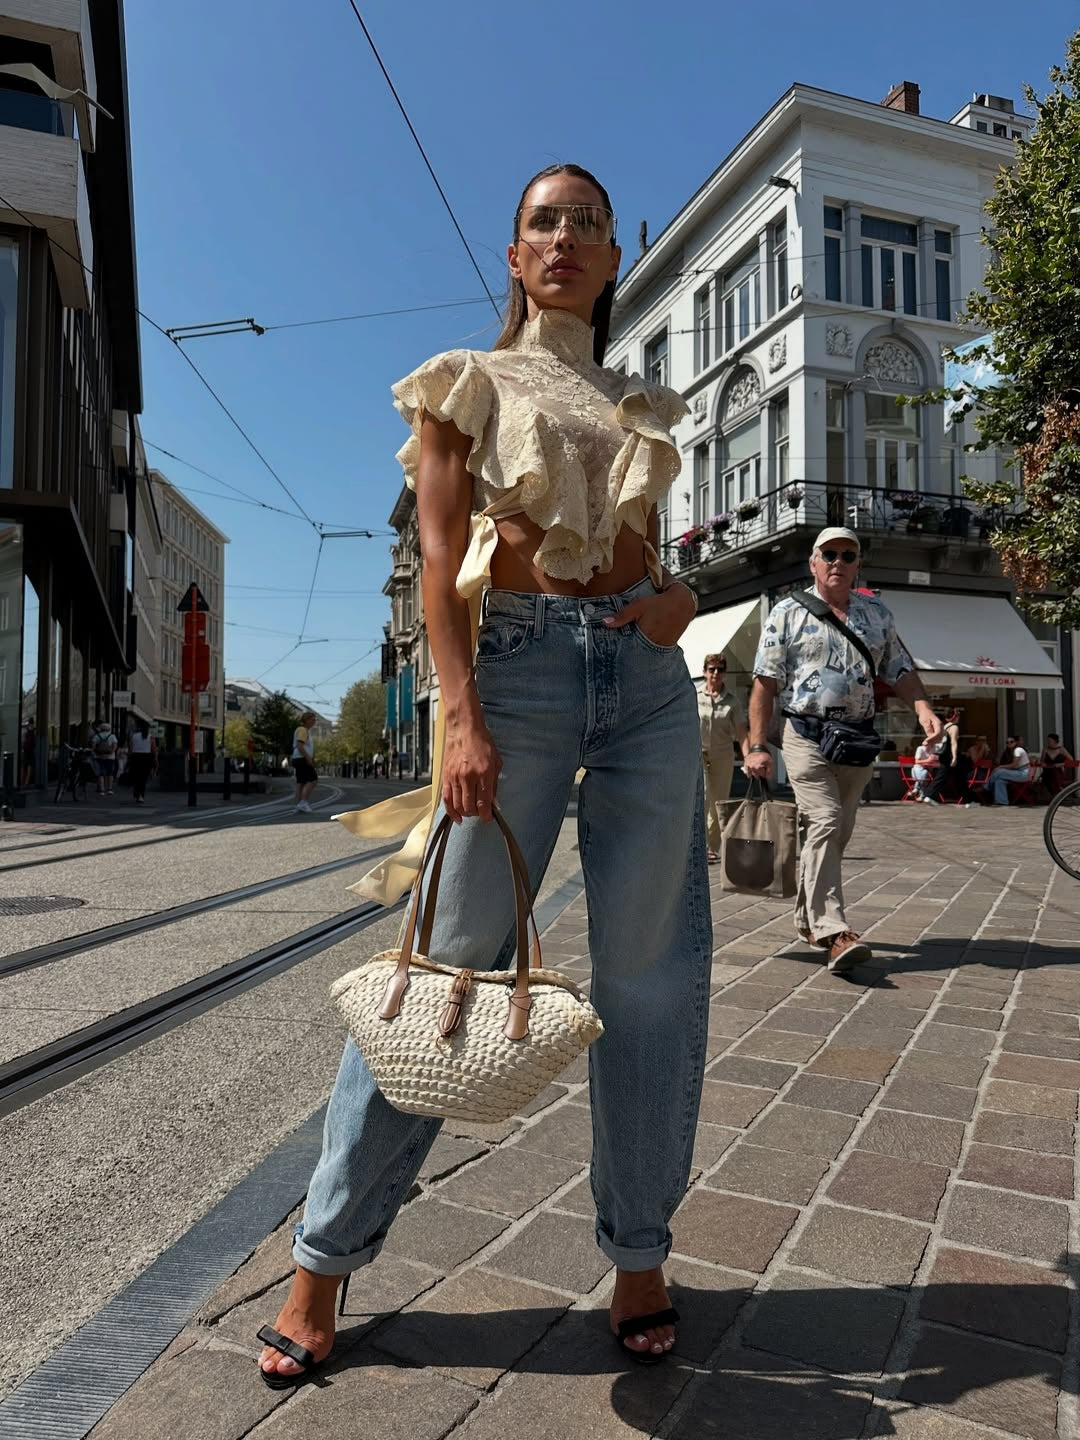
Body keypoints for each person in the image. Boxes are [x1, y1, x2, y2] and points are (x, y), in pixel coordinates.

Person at [258, 162, 710, 1385]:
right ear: (515, 256)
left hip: (644, 678)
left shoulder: (637, 401)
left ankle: (640, 1254)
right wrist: (457, 715)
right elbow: (442, 545)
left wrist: (677, 600)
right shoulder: (466, 382)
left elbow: (644, 553)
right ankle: (321, 1261)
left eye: (587, 224)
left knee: (653, 971)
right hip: (510, 673)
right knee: (443, 963)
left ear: (614, 260)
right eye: (542, 223)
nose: (564, 238)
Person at [745, 527, 942, 972]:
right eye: (828, 554)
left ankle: (807, 918)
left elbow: (900, 667)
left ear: (858, 565)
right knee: (826, 820)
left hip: (856, 739)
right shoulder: (787, 613)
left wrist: (924, 708)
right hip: (805, 734)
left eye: (847, 555)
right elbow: (765, 684)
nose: (838, 562)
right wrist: (758, 745)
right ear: (813, 563)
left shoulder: (876, 613)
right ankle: (833, 930)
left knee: (836, 832)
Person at [698, 653, 748, 859]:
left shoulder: (732, 701)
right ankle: (699, 845)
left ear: (725, 674)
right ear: (704, 672)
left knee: (719, 802)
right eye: (712, 669)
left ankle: (712, 847)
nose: (716, 673)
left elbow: (741, 732)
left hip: (722, 755)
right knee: (703, 796)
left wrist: (748, 757)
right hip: (698, 754)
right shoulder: (695, 696)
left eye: (720, 669)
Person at [925, 707, 962, 804]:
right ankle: (928, 795)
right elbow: (954, 743)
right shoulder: (954, 727)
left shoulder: (945, 727)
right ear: (955, 717)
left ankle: (968, 798)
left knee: (957, 777)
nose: (959, 718)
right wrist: (954, 757)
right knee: (941, 777)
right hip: (948, 756)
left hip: (943, 755)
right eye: (958, 716)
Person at [988, 735, 1031, 805]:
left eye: (1011, 742)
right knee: (999, 781)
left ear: (1016, 742)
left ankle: (986, 787)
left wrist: (1001, 766)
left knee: (999, 771)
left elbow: (1015, 765)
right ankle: (1002, 802)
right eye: (1007, 742)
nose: (1009, 744)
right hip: (1018, 772)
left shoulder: (1018, 750)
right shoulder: (1008, 752)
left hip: (1023, 774)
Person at [292, 712, 318, 813]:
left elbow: (306, 746)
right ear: (306, 720)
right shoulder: (303, 730)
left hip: (298, 758)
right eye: (312, 719)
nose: (314, 722)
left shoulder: (303, 730)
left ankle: (299, 804)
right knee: (312, 780)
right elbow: (300, 745)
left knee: (301, 782)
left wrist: (312, 757)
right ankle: (303, 802)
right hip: (302, 758)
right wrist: (308, 758)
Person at [127, 722, 156, 804]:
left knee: (136, 776)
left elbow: (130, 748)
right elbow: (153, 749)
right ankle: (141, 795)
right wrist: (155, 760)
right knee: (143, 777)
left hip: (135, 757)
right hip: (146, 758)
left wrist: (129, 759)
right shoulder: (150, 737)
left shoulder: (133, 736)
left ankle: (137, 792)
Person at [1039, 733, 1074, 798]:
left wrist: (1061, 764)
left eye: (1050, 741)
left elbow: (1071, 760)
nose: (1048, 742)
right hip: (1047, 771)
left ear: (1055, 741)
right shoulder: (1045, 749)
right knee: (1049, 775)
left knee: (1055, 775)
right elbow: (1042, 762)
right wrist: (1043, 764)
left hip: (1058, 771)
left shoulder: (1061, 749)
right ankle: (1055, 795)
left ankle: (1056, 794)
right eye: (1048, 741)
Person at [91, 720, 118, 798]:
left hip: (99, 756)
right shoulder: (112, 736)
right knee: (110, 773)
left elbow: (93, 746)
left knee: (100, 773)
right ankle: (109, 789)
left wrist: (96, 753)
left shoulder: (96, 736)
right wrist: (110, 752)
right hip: (110, 757)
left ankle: (102, 790)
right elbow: (115, 746)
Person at [911, 737, 939, 801]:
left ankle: (916, 789)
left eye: (927, 745)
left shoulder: (933, 749)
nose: (925, 746)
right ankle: (922, 794)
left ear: (931, 744)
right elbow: (917, 762)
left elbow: (936, 762)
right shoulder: (920, 749)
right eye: (924, 745)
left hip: (928, 769)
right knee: (924, 773)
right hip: (918, 768)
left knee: (925, 772)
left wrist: (932, 760)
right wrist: (928, 760)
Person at [20, 717, 36, 788]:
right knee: (28, 767)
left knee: (25, 766)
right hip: (29, 750)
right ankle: (25, 782)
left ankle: (23, 782)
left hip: (27, 750)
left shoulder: (27, 731)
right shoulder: (32, 731)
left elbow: (24, 741)